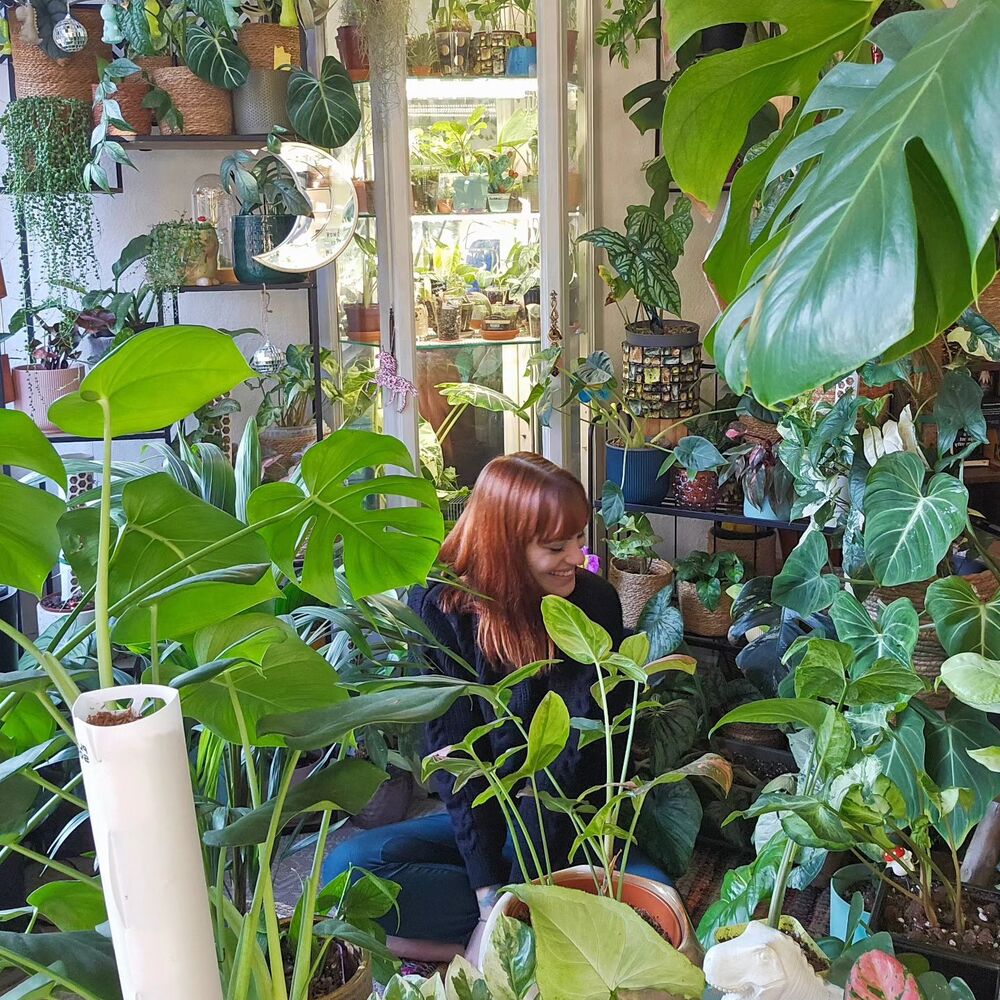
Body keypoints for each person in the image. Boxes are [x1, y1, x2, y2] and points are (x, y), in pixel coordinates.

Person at [324, 453, 669, 960]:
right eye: (556, 545)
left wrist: (514, 893)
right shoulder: (439, 605)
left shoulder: (593, 604)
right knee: (348, 869)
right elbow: (455, 763)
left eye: (578, 538)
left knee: (659, 906)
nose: (578, 556)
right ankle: (538, 932)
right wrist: (490, 897)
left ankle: (510, 933)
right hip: (492, 812)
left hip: (568, 820)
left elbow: (577, 758)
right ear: (504, 545)